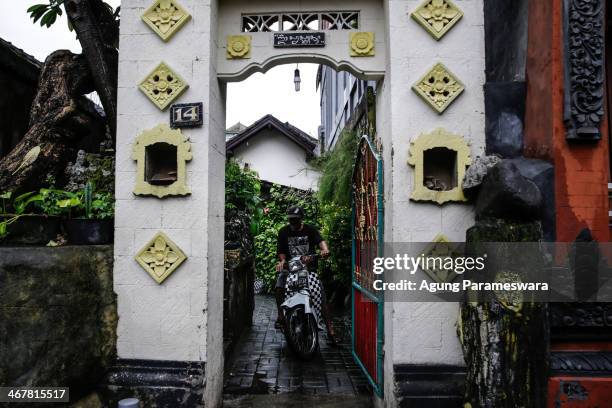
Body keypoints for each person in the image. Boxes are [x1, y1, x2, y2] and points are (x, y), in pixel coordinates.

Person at [275, 205, 337, 343]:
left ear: (301, 219)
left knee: (320, 295)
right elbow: (281, 251)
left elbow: (321, 242)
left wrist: (325, 250)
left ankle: (331, 331)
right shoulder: (283, 232)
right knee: (279, 285)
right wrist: (282, 261)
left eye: (295, 220)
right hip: (291, 269)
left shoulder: (310, 230)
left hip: (309, 269)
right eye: (290, 220)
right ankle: (281, 316)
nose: (292, 222)